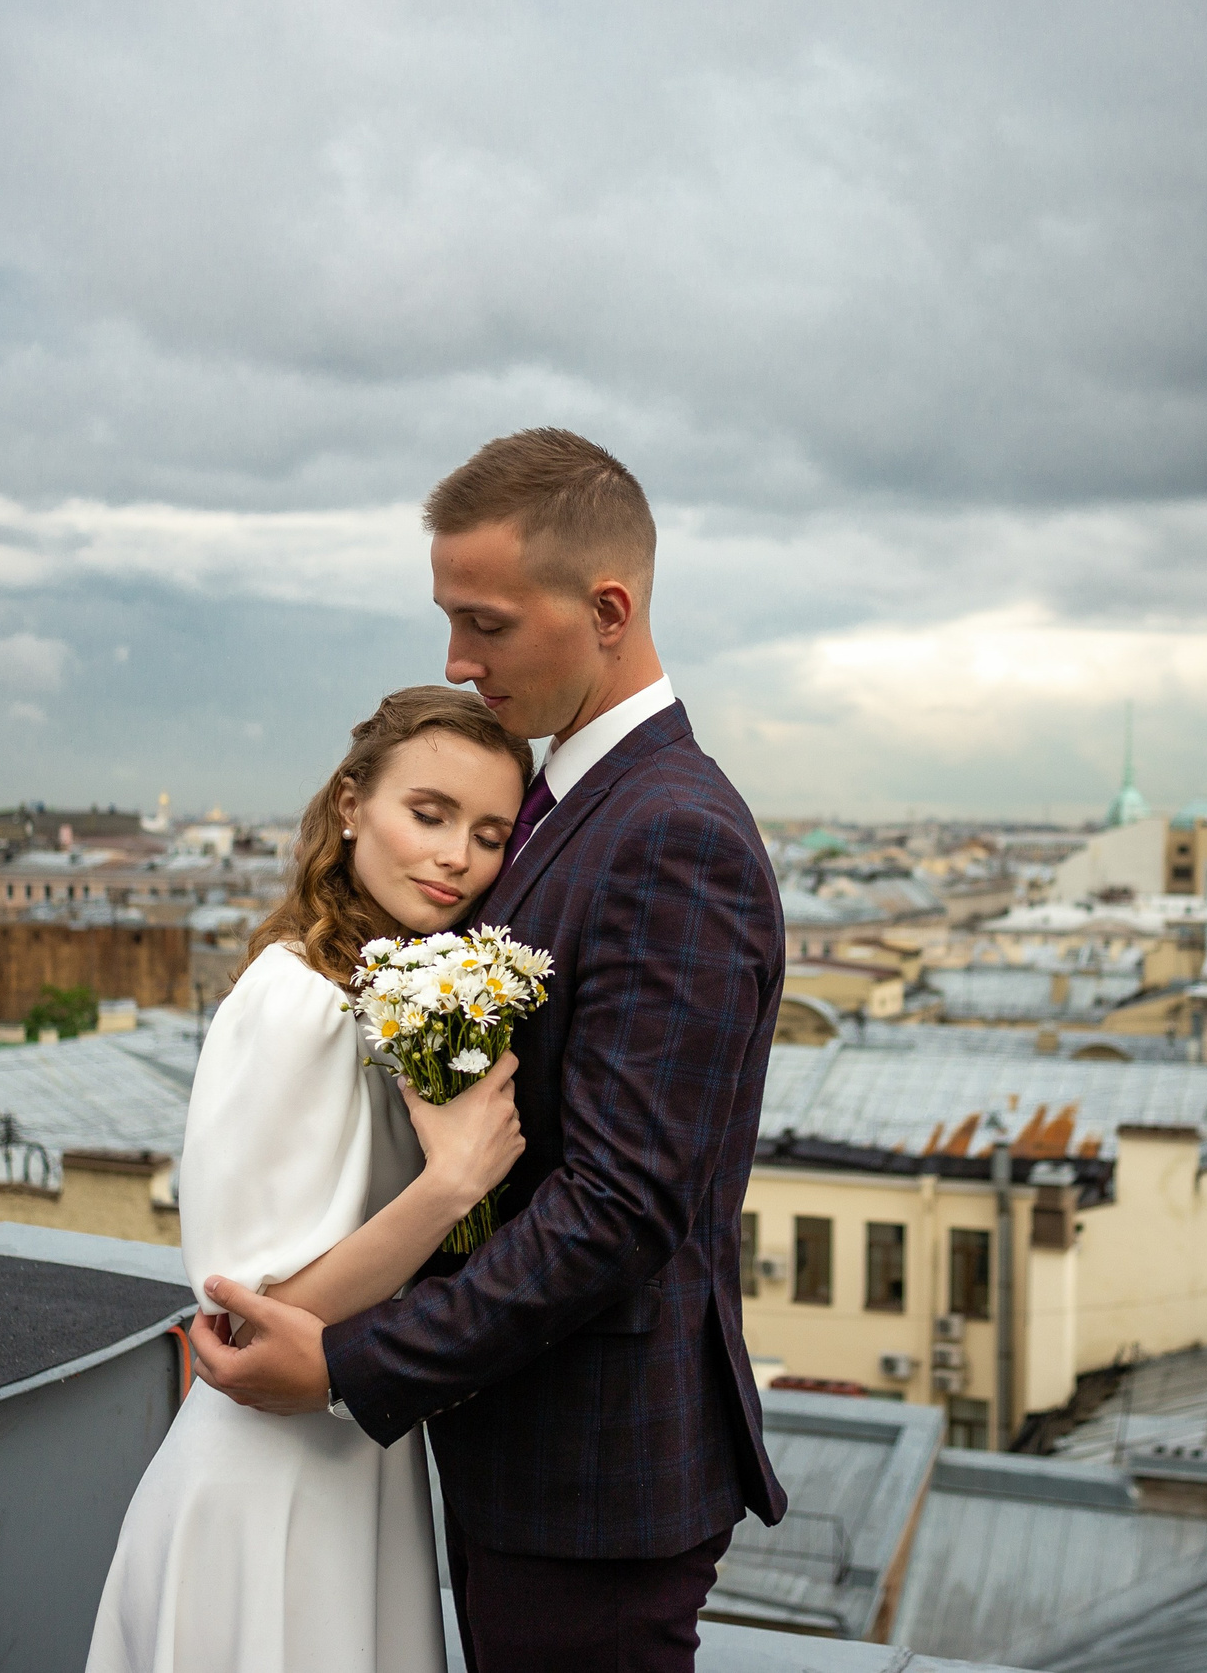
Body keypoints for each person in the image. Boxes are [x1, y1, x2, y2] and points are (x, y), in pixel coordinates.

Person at [197, 429, 790, 1673]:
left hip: (594, 1483)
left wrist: (351, 1364)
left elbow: (621, 1207)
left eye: (486, 624)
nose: (458, 664)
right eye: (447, 621)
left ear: (608, 609)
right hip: (526, 1455)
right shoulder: (570, 808)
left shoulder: (673, 834)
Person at [86, 686, 536, 1673]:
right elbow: (247, 1323)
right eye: (429, 814)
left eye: (491, 832)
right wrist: (449, 1185)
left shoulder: (390, 993)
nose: (458, 854)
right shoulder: (296, 996)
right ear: (349, 807)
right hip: (266, 1483)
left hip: (350, 1465)